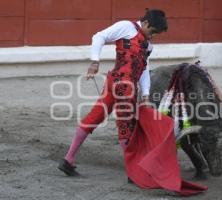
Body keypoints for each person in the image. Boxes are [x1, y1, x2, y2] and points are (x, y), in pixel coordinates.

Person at [58, 9, 168, 176]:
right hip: (124, 86)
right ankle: (133, 172)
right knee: (127, 125)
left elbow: (144, 68)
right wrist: (95, 61)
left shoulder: (148, 44)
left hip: (116, 82)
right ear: (145, 23)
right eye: (152, 31)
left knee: (95, 117)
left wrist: (145, 94)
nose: (152, 36)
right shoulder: (126, 27)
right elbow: (99, 36)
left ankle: (68, 160)